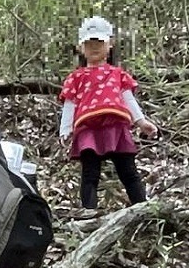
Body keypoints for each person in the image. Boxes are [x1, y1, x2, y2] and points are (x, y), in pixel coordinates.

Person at [60, 16, 158, 209]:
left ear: (110, 44)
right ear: (81, 47)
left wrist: (141, 122)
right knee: (90, 175)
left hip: (116, 126)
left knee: (128, 172)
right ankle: (89, 212)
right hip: (88, 128)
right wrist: (65, 129)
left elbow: (127, 98)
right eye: (89, 43)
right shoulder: (76, 77)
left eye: (99, 42)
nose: (94, 47)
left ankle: (143, 209)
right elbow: (70, 103)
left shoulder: (117, 74)